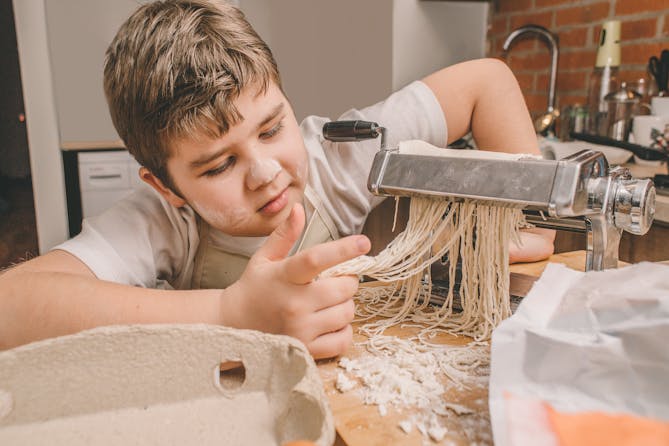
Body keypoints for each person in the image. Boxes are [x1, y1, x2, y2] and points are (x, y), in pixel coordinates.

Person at [0, 0, 554, 356]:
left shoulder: (344, 153)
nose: (266, 173)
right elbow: (11, 304)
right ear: (166, 186)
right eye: (219, 165)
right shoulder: (163, 222)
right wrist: (227, 314)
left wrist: (532, 211)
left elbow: (489, 81)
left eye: (271, 128)